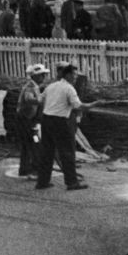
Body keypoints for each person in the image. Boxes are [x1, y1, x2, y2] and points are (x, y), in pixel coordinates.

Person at [34, 62, 97, 191]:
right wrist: (93, 104)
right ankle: (72, 182)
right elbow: (78, 106)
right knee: (67, 152)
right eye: (73, 76)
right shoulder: (69, 88)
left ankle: (42, 182)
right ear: (67, 75)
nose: (75, 79)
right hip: (61, 122)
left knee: (47, 152)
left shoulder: (51, 86)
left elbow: (40, 101)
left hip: (47, 120)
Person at [16, 64, 49, 178]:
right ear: (35, 76)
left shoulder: (35, 86)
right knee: (32, 143)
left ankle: (26, 168)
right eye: (41, 75)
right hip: (25, 120)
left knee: (31, 143)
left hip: (28, 119)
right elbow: (29, 99)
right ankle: (31, 168)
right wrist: (41, 100)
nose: (43, 77)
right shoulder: (30, 86)